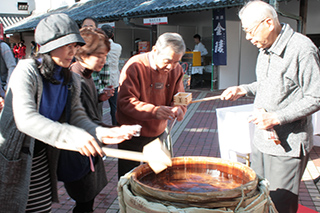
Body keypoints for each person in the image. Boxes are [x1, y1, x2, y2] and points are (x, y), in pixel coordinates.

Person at [0, 13, 137, 212]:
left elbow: (77, 116)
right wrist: (72, 136)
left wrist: (101, 132)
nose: (71, 52)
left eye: (74, 46)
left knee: (40, 208)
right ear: (47, 45)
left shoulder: (69, 78)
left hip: (41, 158)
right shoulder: (27, 71)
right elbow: (25, 119)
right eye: (66, 45)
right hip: (15, 157)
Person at [220, 1, 320, 213]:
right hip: (263, 139)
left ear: (268, 23)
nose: (248, 37)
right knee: (258, 196)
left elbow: (316, 96)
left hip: (287, 145)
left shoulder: (302, 49)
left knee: (280, 203)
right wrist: (243, 89)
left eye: (249, 31)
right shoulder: (265, 48)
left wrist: (277, 117)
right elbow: (268, 85)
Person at [116, 32, 188, 178]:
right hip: (133, 132)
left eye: (176, 62)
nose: (171, 66)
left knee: (160, 174)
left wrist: (179, 108)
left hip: (158, 132)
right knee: (128, 178)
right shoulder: (135, 65)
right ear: (155, 50)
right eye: (167, 61)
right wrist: (153, 111)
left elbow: (180, 95)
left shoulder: (176, 69)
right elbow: (125, 101)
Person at [65, 27, 112, 213]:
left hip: (89, 147)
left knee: (87, 200)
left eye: (105, 55)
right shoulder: (76, 79)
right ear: (82, 54)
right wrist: (112, 132)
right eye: (98, 55)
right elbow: (81, 119)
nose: (103, 60)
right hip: (81, 150)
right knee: (84, 201)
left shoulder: (86, 76)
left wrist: (99, 98)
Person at [94, 24, 122, 125]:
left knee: (99, 105)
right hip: (114, 79)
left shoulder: (99, 46)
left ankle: (100, 124)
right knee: (114, 106)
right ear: (112, 35)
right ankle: (115, 126)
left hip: (101, 79)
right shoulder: (118, 47)